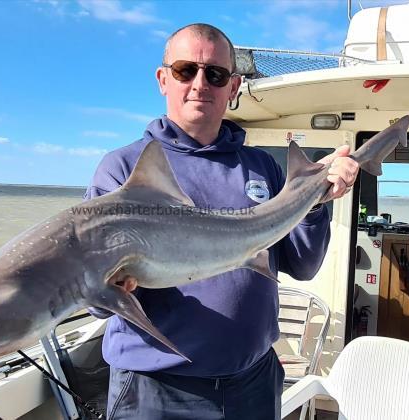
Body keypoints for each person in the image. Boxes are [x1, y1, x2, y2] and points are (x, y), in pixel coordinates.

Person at [84, 23, 359, 420]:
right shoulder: (123, 169)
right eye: (185, 70)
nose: (200, 83)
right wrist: (106, 281)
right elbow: (96, 301)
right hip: (158, 389)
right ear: (163, 79)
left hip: (254, 380)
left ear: (233, 88)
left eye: (215, 74)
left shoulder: (262, 165)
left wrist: (315, 201)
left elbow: (303, 264)